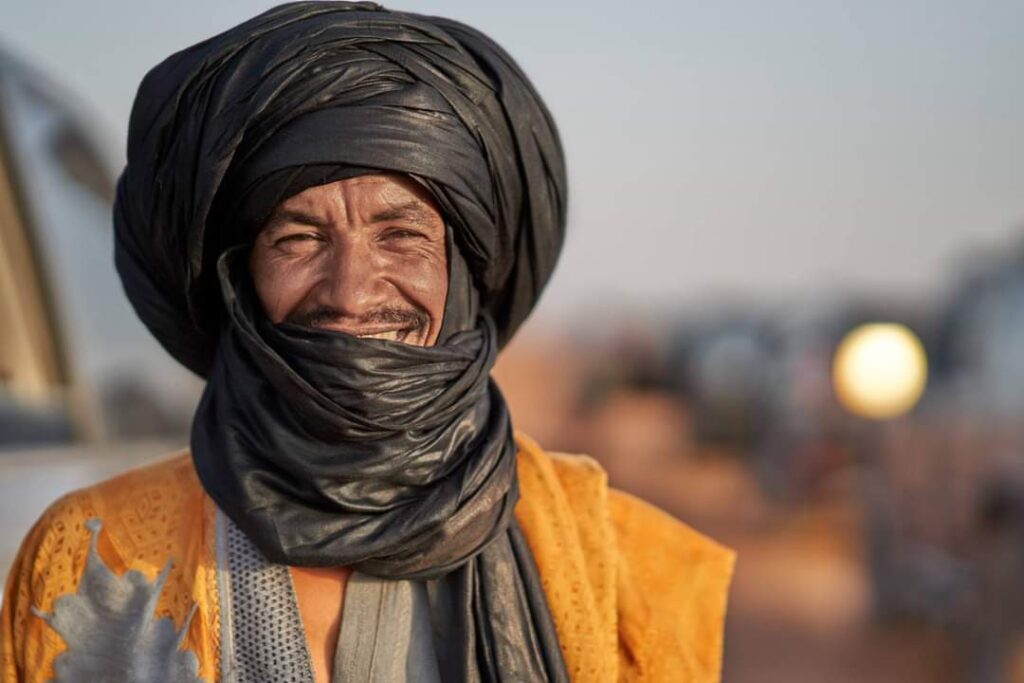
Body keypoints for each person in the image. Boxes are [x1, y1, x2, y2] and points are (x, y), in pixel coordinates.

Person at [0, 3, 735, 682]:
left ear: (464, 270)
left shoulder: (624, 567)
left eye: (401, 235)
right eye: (298, 237)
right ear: (239, 279)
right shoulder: (92, 560)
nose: (350, 292)